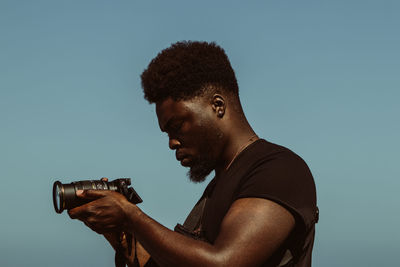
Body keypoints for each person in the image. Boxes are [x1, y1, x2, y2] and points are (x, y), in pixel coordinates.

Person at [68, 41, 318, 267]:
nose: (172, 143)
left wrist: (132, 216)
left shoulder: (280, 170)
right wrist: (121, 234)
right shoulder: (216, 188)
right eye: (166, 133)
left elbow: (225, 262)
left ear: (217, 106)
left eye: (177, 127)